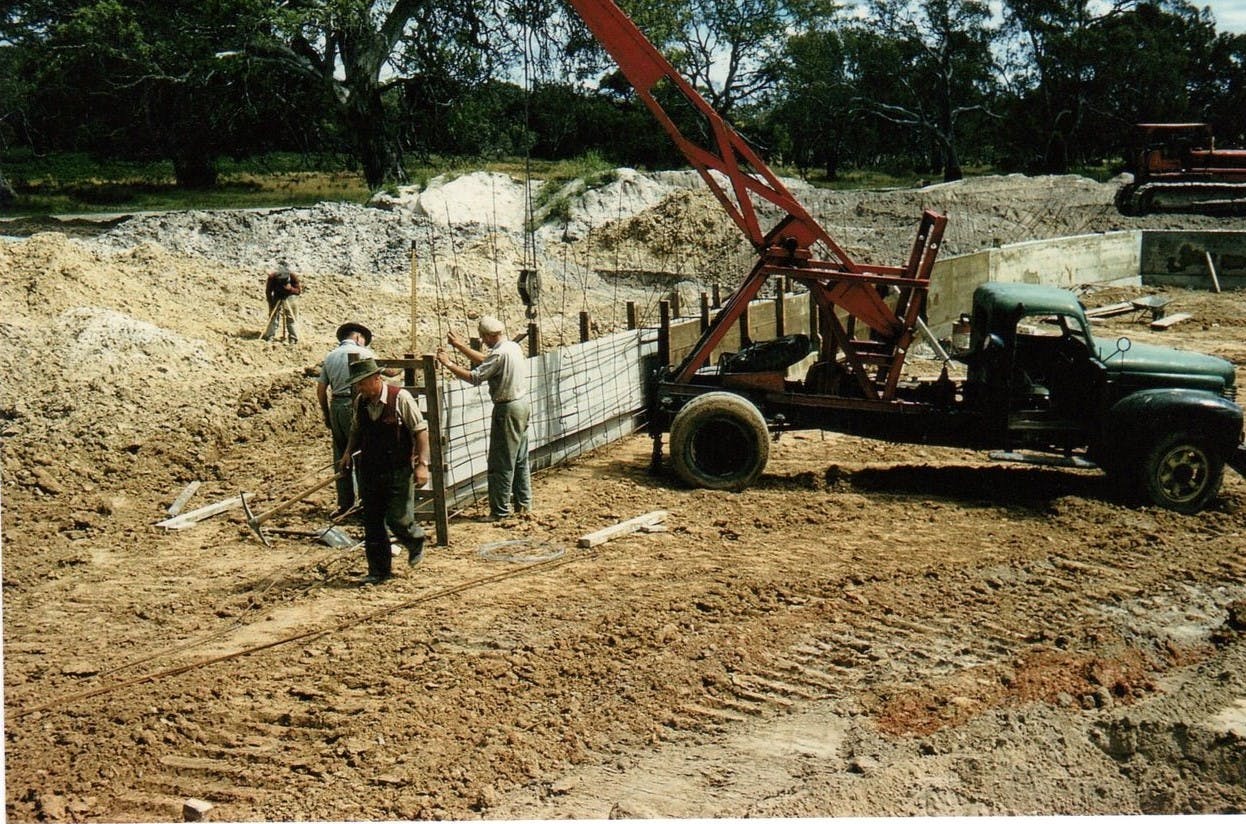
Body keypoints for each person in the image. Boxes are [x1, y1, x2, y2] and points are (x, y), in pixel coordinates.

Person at [339, 357, 431, 584]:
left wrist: (422, 465)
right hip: (370, 469)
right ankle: (379, 571)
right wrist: (348, 452)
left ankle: (415, 539)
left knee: (397, 518)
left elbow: (420, 431)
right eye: (357, 384)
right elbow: (356, 430)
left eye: (362, 383)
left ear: (376, 378)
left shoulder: (400, 398)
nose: (359, 388)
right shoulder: (361, 401)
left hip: (397, 469)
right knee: (372, 522)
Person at [436, 316, 532, 520]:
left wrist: (448, 363)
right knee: (520, 458)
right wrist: (461, 346)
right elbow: (487, 361)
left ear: (489, 336)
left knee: (501, 462)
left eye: (483, 338)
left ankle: (499, 512)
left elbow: (475, 377)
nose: (483, 341)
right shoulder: (511, 347)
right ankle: (523, 504)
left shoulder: (498, 354)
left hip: (507, 409)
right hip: (522, 405)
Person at [317, 322, 376, 517]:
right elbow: (379, 376)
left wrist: (327, 413)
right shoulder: (365, 354)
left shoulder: (330, 356)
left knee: (341, 452)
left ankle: (345, 502)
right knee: (362, 451)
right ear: (359, 337)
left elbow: (320, 389)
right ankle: (365, 501)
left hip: (336, 405)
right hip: (356, 404)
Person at [262, 260, 302, 343]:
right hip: (277, 296)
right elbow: (268, 291)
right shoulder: (272, 277)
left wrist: (290, 289)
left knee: (291, 318)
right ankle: (270, 336)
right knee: (273, 317)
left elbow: (298, 291)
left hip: (290, 296)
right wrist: (271, 303)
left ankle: (293, 337)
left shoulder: (293, 276)